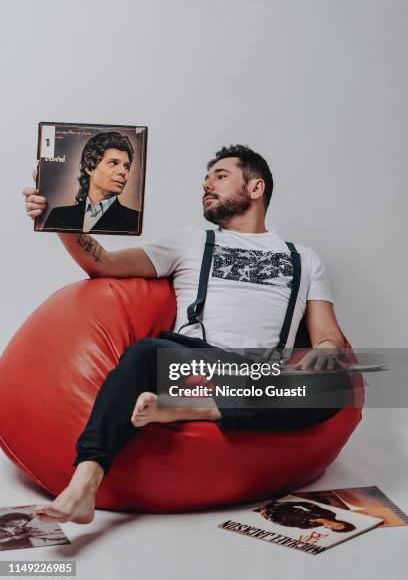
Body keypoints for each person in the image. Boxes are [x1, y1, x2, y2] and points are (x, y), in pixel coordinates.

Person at [22, 144, 347, 526]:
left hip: (260, 378)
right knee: (147, 352)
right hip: (193, 358)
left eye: (220, 176)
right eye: (206, 180)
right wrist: (58, 215)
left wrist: (326, 352)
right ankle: (83, 485)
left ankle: (192, 407)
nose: (207, 185)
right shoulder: (190, 240)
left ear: (256, 188)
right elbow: (103, 262)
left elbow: (327, 334)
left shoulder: (304, 259)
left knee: (336, 385)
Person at [43, 131, 140, 233]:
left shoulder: (135, 220)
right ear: (90, 168)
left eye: (127, 166)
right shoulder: (58, 216)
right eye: (114, 163)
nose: (123, 172)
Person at [256, 500, 356, 532]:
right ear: (341, 522)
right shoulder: (329, 514)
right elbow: (307, 505)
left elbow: (283, 523)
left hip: (267, 512)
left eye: (336, 529)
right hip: (279, 504)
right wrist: (283, 503)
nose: (333, 526)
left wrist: (267, 516)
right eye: (338, 525)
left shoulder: (308, 526)